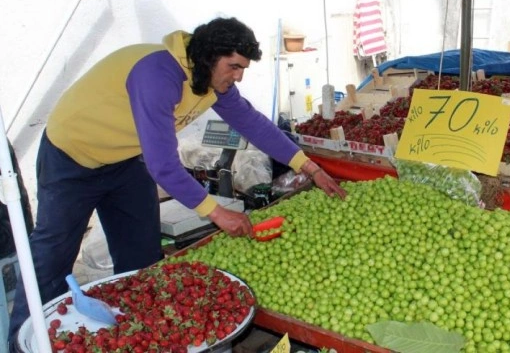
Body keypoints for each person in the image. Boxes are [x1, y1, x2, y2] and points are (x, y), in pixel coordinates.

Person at [7, 17, 347, 347]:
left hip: (124, 159)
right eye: (234, 66)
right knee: (52, 257)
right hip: (73, 156)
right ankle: (18, 341)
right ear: (210, 57)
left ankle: (137, 335)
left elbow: (252, 123)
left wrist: (309, 166)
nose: (239, 76)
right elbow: (163, 166)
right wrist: (216, 212)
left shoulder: (213, 82)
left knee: (143, 258)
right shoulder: (157, 75)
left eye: (243, 68)